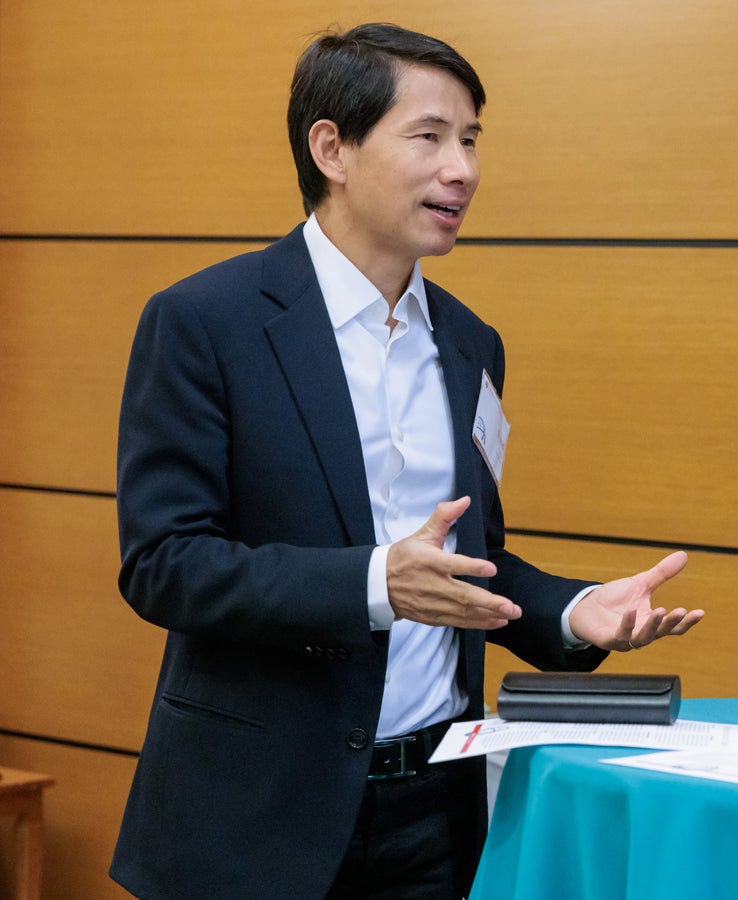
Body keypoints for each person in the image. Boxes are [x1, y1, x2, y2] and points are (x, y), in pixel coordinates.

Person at [112, 24, 703, 899]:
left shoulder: (470, 344)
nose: (461, 169)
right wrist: (376, 585)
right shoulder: (207, 323)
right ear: (332, 148)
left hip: (436, 808)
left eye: (470, 141)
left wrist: (576, 613)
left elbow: (467, 564)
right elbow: (164, 565)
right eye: (428, 136)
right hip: (255, 814)